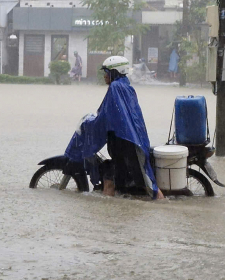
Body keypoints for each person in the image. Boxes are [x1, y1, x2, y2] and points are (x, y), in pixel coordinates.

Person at [64, 55, 164, 200]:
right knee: (115, 175)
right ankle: (111, 207)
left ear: (115, 72)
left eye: (106, 72)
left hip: (126, 144)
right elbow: (115, 114)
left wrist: (90, 123)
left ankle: (161, 204)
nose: (104, 76)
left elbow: (107, 115)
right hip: (127, 142)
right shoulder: (125, 86)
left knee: (144, 182)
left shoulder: (116, 88)